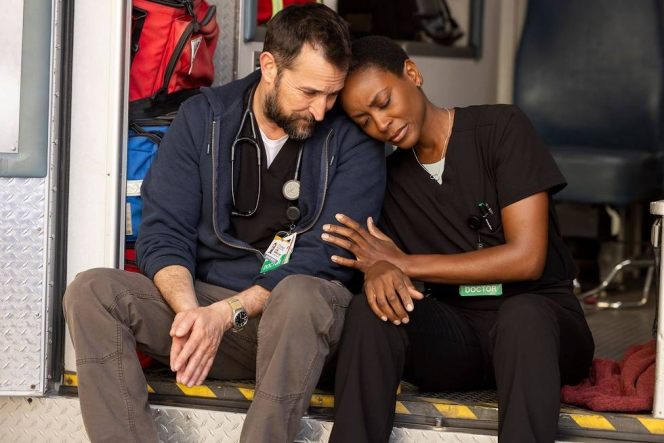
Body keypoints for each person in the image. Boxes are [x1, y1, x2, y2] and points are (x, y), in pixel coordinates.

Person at [63, 5, 386, 443]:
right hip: (214, 314)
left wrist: (226, 313)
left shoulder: (354, 137)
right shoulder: (204, 117)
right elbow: (164, 233)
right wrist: (193, 314)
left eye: (332, 95)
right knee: (92, 291)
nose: (323, 109)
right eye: (309, 92)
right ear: (269, 66)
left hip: (305, 327)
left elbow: (327, 257)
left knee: (300, 294)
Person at [322, 36, 595, 443]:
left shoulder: (501, 128)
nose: (380, 124)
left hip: (543, 332)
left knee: (524, 317)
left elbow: (527, 259)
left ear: (412, 74)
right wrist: (380, 269)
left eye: (383, 102)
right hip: (459, 337)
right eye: (363, 120)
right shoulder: (390, 178)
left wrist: (405, 263)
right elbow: (384, 260)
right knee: (371, 310)